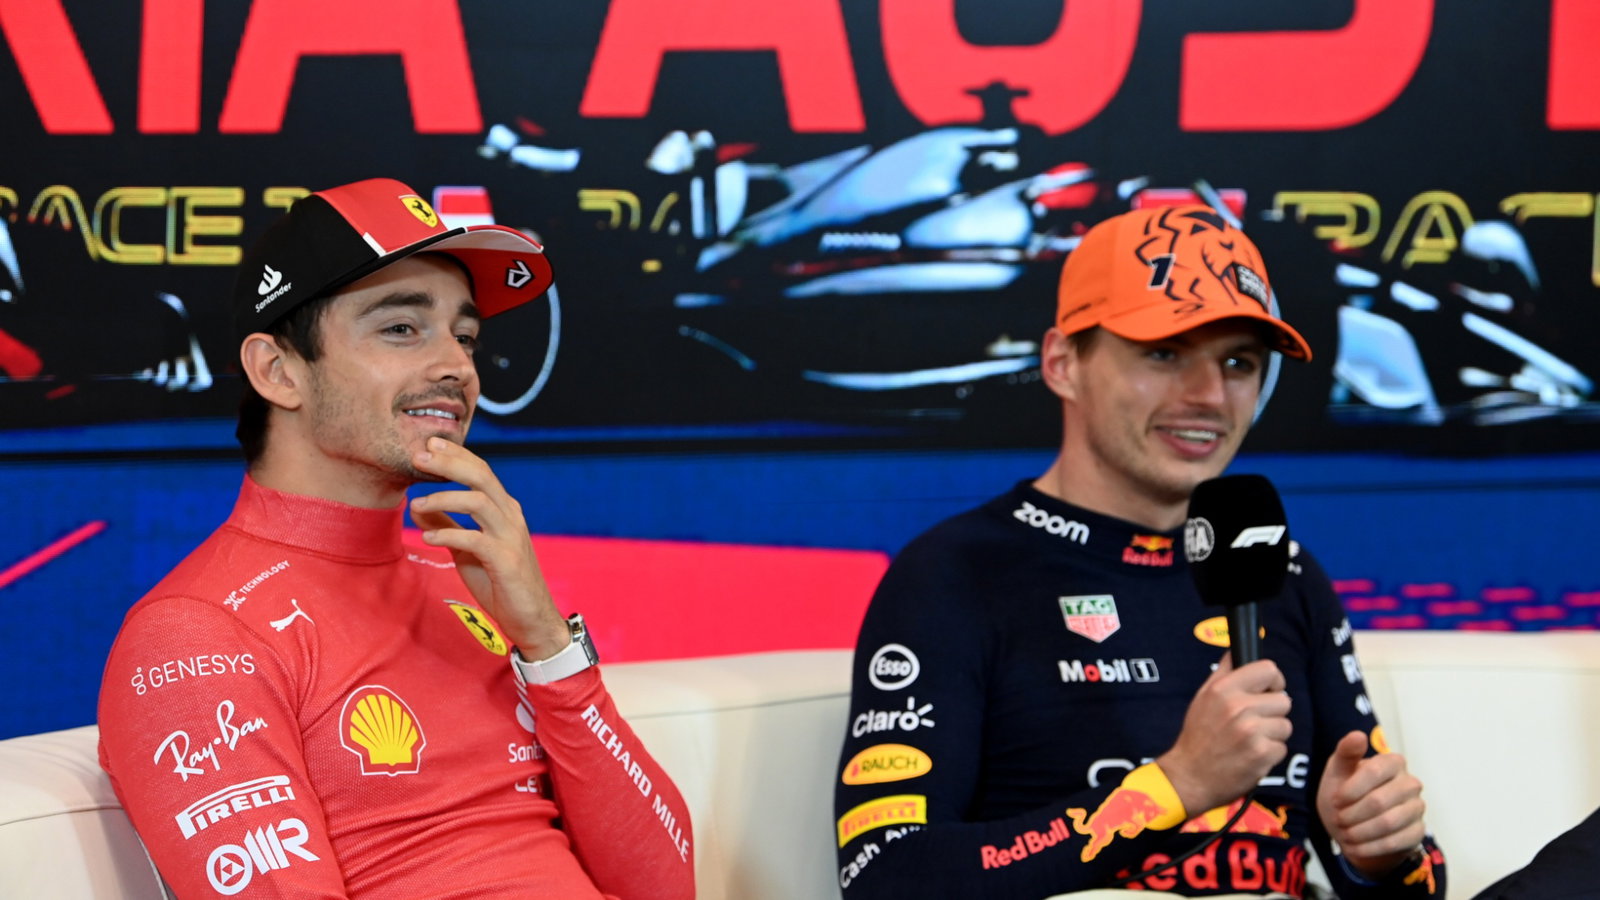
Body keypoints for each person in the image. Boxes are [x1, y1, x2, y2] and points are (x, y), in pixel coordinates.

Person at [97, 178, 694, 898]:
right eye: (402, 328)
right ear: (278, 370)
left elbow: (665, 885)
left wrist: (548, 646)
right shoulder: (196, 637)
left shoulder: (466, 585)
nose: (458, 367)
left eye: (465, 335)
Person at [832, 205, 1444, 897]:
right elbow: (886, 877)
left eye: (1238, 362)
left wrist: (1377, 854)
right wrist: (1175, 785)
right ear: (1063, 364)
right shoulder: (956, 572)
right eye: (1165, 353)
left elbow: (1420, 886)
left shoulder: (1287, 572)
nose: (1209, 396)